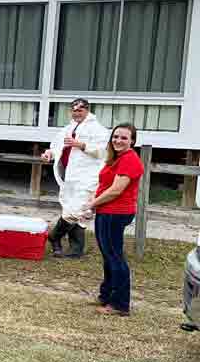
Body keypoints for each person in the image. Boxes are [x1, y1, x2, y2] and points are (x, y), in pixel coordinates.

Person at [83, 124, 144, 317]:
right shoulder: (115, 158)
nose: (118, 140)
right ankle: (106, 295)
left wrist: (92, 204)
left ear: (132, 141)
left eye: (124, 138)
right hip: (106, 210)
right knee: (108, 256)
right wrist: (94, 202)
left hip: (115, 213)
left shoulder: (130, 159)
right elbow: (104, 184)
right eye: (115, 137)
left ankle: (119, 304)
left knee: (115, 257)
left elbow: (117, 190)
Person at [40, 99, 108, 258]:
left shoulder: (98, 129)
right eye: (74, 110)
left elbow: (103, 151)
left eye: (80, 110)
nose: (77, 113)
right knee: (71, 208)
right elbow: (57, 145)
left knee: (80, 209)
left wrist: (81, 145)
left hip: (88, 176)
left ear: (87, 110)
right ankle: (75, 250)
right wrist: (49, 154)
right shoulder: (69, 128)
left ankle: (54, 236)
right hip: (70, 176)